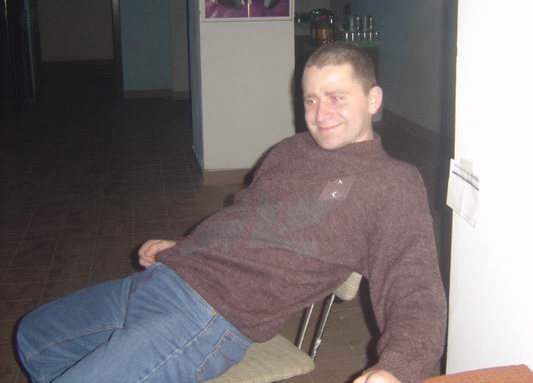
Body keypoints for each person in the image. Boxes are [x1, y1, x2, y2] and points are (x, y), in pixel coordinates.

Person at [16, 42, 447, 383]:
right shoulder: (291, 150)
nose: (321, 114)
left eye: (337, 97)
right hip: (164, 279)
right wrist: (184, 247)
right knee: (34, 337)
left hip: (205, 319)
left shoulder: (392, 182)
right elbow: (245, 220)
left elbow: (415, 290)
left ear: (373, 99)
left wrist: (397, 368)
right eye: (311, 99)